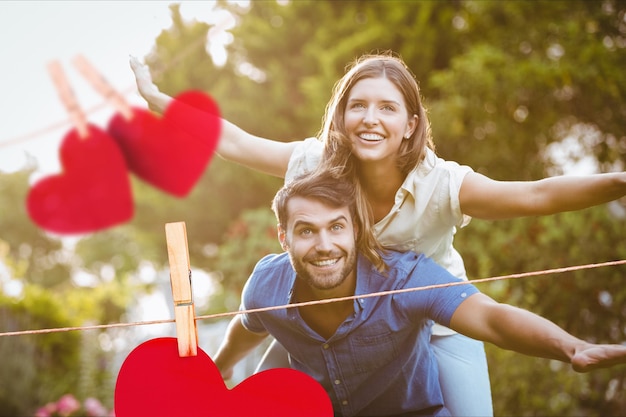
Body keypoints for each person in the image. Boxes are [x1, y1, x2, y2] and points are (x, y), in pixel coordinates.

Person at [130, 52, 626, 416]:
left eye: (387, 108)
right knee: (259, 403)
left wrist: (619, 182)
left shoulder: (443, 184)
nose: (370, 119)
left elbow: (537, 196)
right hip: (329, 315)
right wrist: (158, 101)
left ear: (411, 124)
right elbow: (233, 141)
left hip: (434, 318)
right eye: (358, 106)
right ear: (341, 117)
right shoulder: (314, 162)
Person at [212, 170, 626, 417]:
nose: (324, 244)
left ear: (356, 229)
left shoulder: (404, 278)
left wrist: (570, 347)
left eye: (336, 227)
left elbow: (491, 318)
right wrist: (219, 368)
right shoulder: (266, 284)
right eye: (306, 230)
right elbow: (249, 324)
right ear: (283, 238)